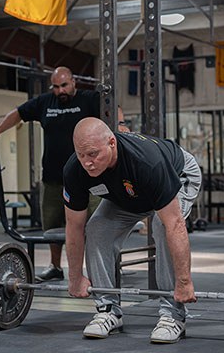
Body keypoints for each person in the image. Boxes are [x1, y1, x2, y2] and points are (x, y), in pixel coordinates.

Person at [63, 117, 201, 344]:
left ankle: (173, 314)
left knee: (161, 224)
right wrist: (76, 277)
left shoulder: (147, 162)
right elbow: (74, 226)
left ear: (111, 143)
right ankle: (108, 309)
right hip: (127, 192)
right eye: (82, 155)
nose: (88, 162)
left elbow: (175, 225)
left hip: (178, 174)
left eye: (93, 154)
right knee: (97, 228)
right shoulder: (75, 170)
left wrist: (184, 283)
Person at [0, 66, 101, 282]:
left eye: (64, 85)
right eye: (56, 87)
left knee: (94, 224)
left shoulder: (89, 99)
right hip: (53, 179)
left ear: (73, 82)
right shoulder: (45, 103)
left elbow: (115, 108)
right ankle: (55, 267)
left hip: (88, 179)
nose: (60, 91)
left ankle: (97, 268)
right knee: (52, 225)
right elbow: (18, 113)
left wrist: (121, 125)